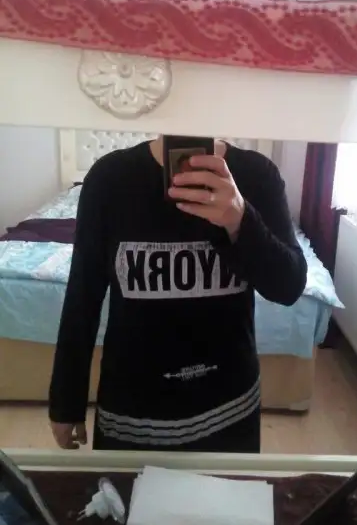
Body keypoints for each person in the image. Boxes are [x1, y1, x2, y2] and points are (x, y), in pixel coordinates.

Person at [49, 137, 307, 453]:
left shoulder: (257, 175)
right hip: (131, 416)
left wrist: (240, 219)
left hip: (230, 411)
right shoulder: (110, 178)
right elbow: (83, 294)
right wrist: (66, 402)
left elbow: (289, 287)